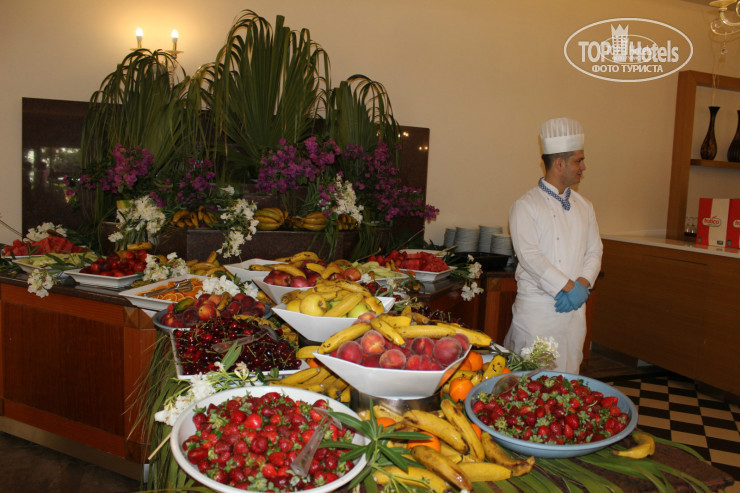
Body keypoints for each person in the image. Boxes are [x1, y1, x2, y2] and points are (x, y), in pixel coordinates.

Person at [503, 117, 603, 373]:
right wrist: (568, 287)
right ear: (559, 164)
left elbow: (595, 250)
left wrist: (582, 285)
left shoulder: (585, 206)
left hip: (573, 312)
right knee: (529, 383)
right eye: (578, 160)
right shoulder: (525, 206)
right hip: (538, 313)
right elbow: (530, 256)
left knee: (568, 380)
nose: (584, 166)